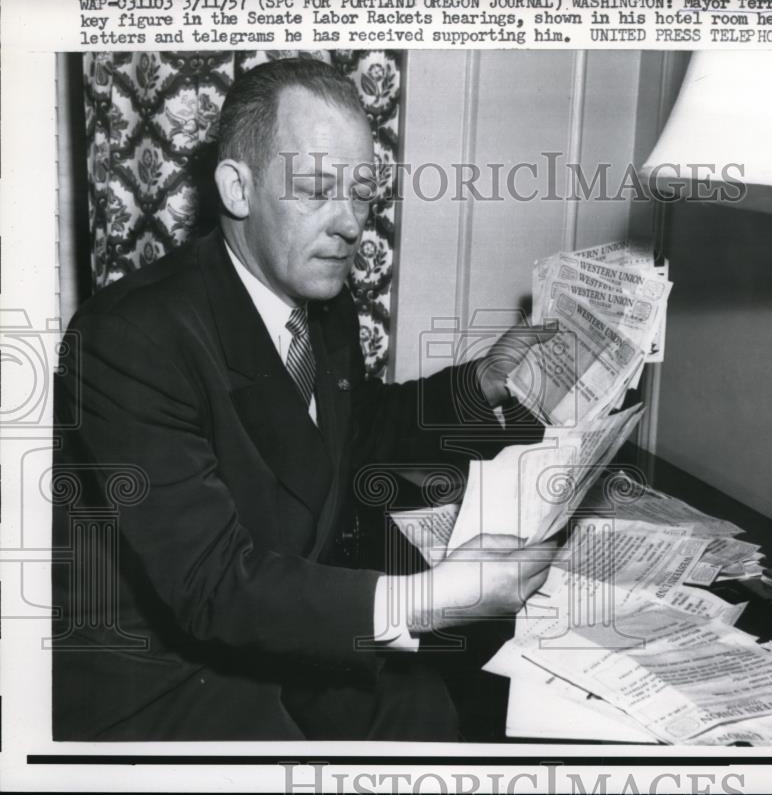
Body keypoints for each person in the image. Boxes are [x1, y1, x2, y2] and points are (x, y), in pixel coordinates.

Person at [52, 57, 556, 741]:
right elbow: (211, 582)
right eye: (318, 189)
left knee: (437, 708)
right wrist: (430, 596)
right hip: (168, 680)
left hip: (280, 631)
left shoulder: (319, 301)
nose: (350, 224)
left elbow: (352, 429)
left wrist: (478, 384)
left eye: (362, 194)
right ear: (237, 187)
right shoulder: (128, 338)